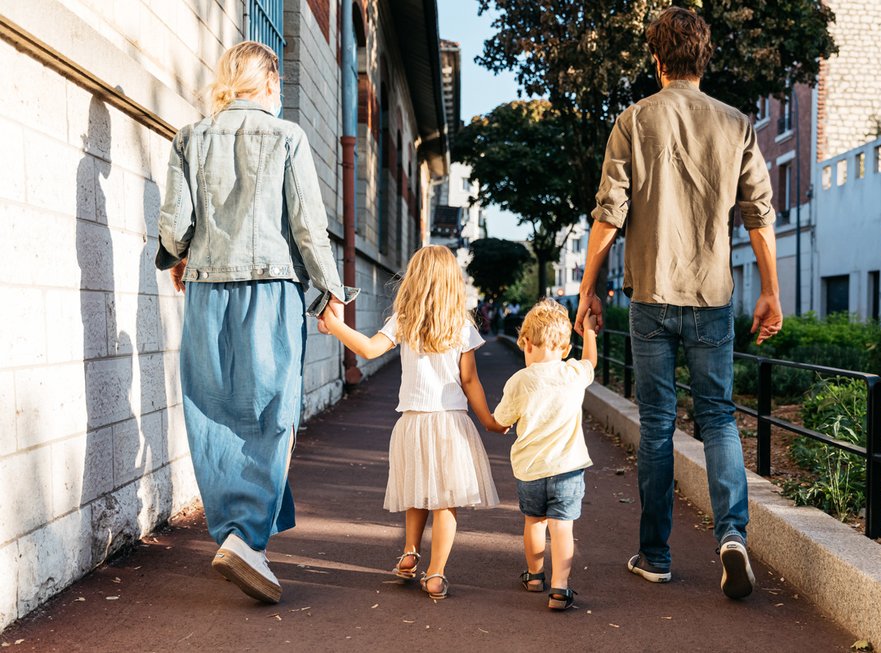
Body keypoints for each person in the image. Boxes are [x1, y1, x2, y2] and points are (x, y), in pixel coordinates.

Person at [574, 7, 782, 600]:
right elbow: (760, 215)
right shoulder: (737, 124)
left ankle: (657, 555)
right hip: (712, 296)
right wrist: (770, 290)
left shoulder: (633, 121)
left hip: (651, 299)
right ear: (704, 57)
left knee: (660, 425)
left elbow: (608, 215)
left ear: (657, 58)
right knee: (718, 418)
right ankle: (733, 536)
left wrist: (588, 290)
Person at [155, 41, 356, 604]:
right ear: (268, 82)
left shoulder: (190, 137)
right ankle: (248, 540)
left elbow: (174, 227)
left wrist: (180, 259)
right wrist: (331, 291)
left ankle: (239, 537)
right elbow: (310, 227)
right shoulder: (287, 136)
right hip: (270, 290)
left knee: (210, 411)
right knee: (271, 412)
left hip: (205, 292)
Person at [318, 245, 506, 600]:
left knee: (417, 490)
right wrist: (489, 421)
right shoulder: (461, 325)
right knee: (445, 501)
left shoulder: (404, 319)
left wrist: (335, 325)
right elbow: (470, 381)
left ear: (414, 280)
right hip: (451, 424)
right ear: (454, 282)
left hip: (413, 423)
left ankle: (409, 553)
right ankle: (435, 574)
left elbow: (370, 350)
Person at [493, 299, 597, 610]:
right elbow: (591, 361)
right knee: (563, 527)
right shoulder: (572, 373)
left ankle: (535, 575)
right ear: (565, 348)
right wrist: (589, 332)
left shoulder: (519, 382)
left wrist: (501, 424)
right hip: (567, 467)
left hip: (530, 469)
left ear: (524, 343)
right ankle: (560, 588)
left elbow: (501, 420)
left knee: (534, 522)